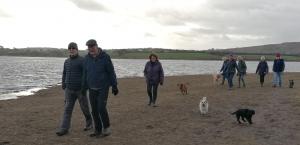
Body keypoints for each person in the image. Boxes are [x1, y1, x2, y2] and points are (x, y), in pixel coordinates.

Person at [82, 39, 118, 138]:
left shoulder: (105, 57)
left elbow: (111, 72)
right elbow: (85, 73)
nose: (91, 48)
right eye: (89, 47)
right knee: (94, 110)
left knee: (101, 108)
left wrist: (114, 85)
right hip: (91, 87)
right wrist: (84, 86)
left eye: (92, 46)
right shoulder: (86, 59)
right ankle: (97, 130)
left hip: (103, 87)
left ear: (97, 46)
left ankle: (106, 128)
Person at [56, 42, 92, 136]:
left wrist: (85, 87)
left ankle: (89, 122)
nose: (71, 49)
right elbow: (64, 73)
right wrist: (64, 83)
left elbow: (86, 74)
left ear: (77, 49)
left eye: (73, 48)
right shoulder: (66, 61)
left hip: (81, 90)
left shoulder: (82, 60)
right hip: (69, 90)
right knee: (67, 109)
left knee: (85, 109)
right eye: (70, 48)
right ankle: (64, 128)